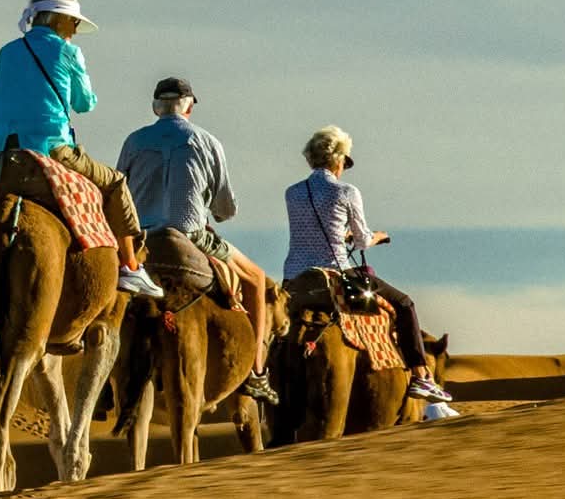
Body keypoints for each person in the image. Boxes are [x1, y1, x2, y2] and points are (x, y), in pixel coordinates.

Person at [0, 0, 165, 299]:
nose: (75, 30)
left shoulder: (7, 52)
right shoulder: (68, 52)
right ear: (59, 20)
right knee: (115, 183)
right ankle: (130, 267)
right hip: (51, 147)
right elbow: (84, 103)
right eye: (73, 23)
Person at [116, 77, 276, 402]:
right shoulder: (207, 141)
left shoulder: (134, 141)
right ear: (189, 106)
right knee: (257, 279)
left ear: (155, 107)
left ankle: (106, 384)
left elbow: (120, 194)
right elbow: (224, 210)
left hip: (142, 239)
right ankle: (257, 373)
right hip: (193, 237)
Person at [282, 126, 453, 405]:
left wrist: (342, 234)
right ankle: (421, 375)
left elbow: (311, 230)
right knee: (405, 304)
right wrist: (379, 237)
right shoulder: (347, 191)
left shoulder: (292, 193)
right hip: (335, 274)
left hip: (294, 278)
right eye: (344, 163)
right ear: (338, 160)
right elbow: (361, 241)